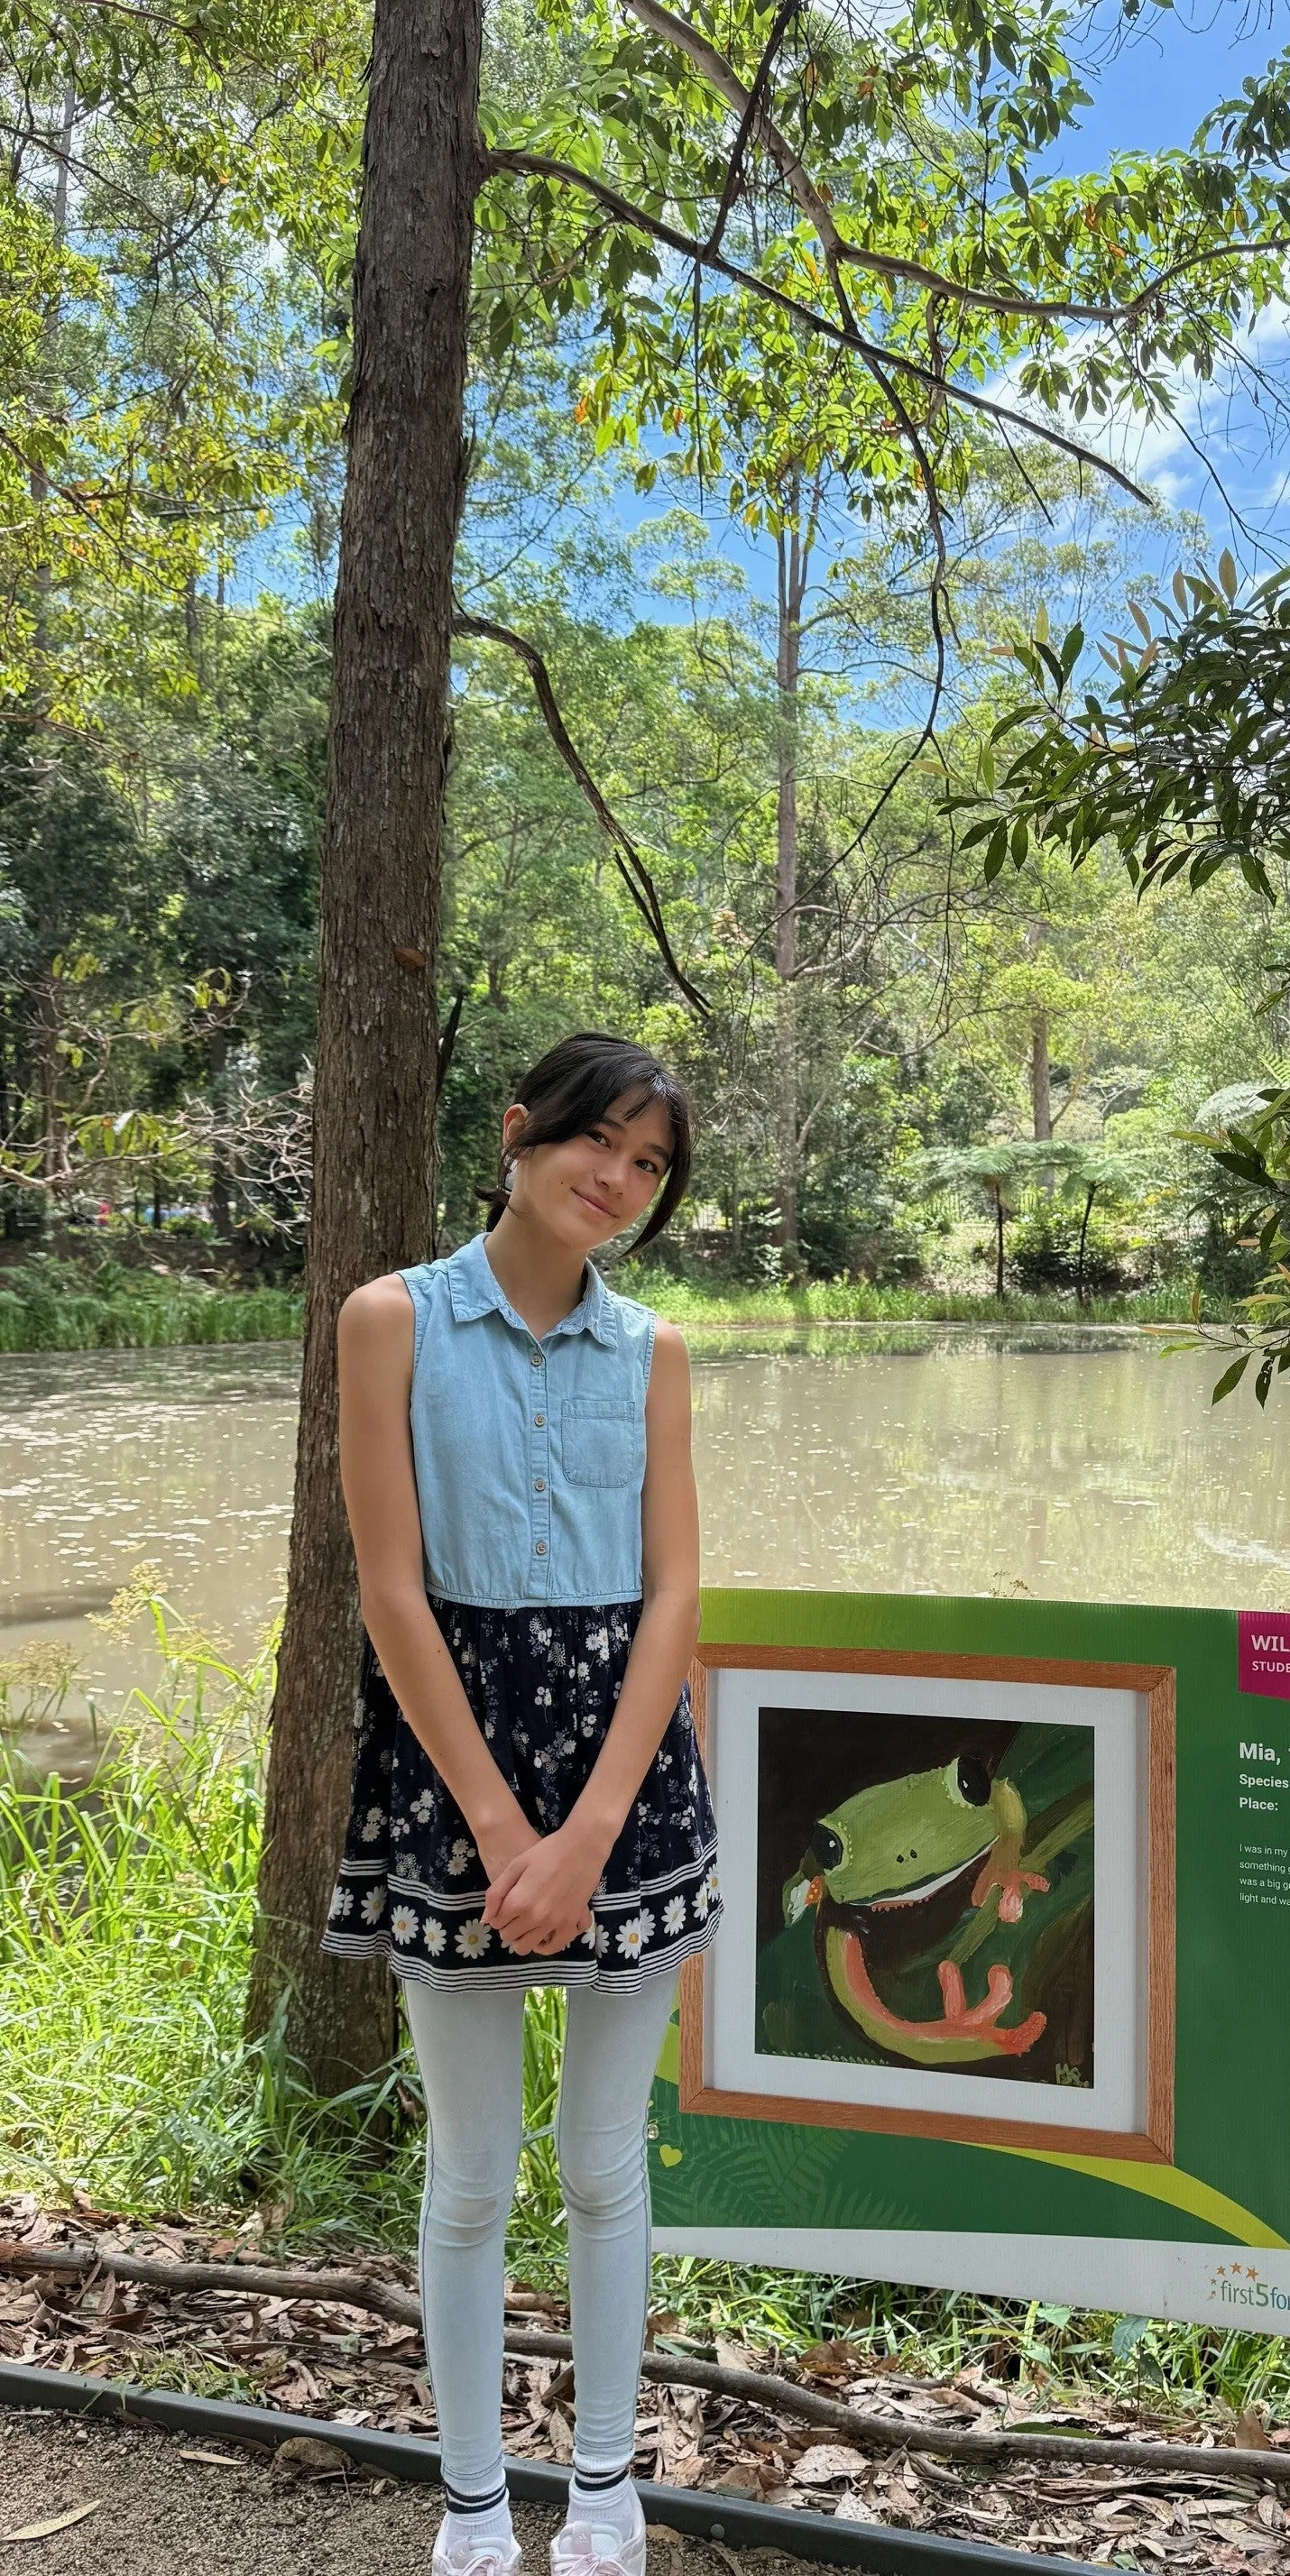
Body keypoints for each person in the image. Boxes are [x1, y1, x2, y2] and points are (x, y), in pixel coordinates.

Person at [322, 1031, 716, 2576]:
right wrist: (501, 1832)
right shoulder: (391, 1322)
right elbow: (391, 1589)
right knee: (473, 2171)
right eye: (597, 1147)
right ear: (518, 1134)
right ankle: (475, 2499)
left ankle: (605, 2486)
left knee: (605, 2159)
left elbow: (677, 1588)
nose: (615, 1184)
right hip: (452, 1767)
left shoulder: (657, 1350)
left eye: (648, 1167)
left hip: (628, 1770)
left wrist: (597, 1829)